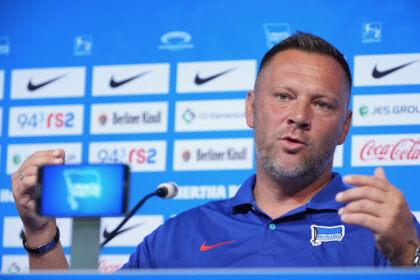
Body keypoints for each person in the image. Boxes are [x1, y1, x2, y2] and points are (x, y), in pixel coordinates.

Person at [12, 32, 420, 269]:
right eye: (282, 96)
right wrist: (40, 232)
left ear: (345, 126)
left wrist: (406, 257)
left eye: (322, 103)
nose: (298, 116)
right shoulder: (178, 237)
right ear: (250, 107)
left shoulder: (383, 231)